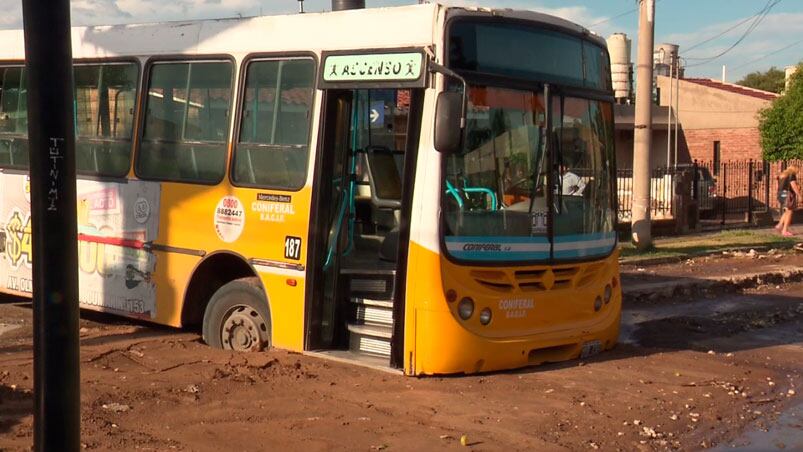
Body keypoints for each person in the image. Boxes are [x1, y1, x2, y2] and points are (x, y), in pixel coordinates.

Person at [775, 165, 801, 237]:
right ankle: (785, 230)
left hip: (780, 193)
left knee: (787, 210)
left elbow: (777, 186)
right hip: (788, 194)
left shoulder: (782, 175)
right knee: (790, 211)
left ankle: (779, 225)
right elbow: (793, 186)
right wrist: (799, 195)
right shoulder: (791, 175)